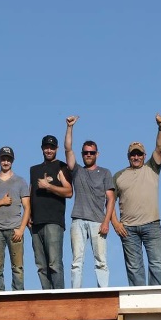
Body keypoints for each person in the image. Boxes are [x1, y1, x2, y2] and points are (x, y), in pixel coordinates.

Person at [64, 115, 120, 288]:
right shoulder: (77, 170)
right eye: (86, 153)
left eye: (92, 152)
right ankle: (75, 293)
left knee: (101, 261)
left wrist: (106, 222)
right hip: (78, 220)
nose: (88, 155)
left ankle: (103, 292)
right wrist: (70, 127)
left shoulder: (105, 173)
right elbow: (68, 149)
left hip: (98, 221)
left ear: (97, 154)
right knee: (76, 261)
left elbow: (110, 199)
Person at [113, 113, 161, 286]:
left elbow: (159, 148)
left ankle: (158, 297)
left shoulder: (152, 168)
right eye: (132, 155)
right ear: (128, 156)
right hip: (128, 229)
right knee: (134, 268)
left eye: (139, 154)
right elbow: (108, 203)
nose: (136, 157)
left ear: (144, 156)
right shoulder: (119, 176)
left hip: (152, 225)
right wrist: (116, 223)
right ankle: (138, 301)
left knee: (157, 264)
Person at [0, 146, 31, 291]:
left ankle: (18, 297)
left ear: (12, 161)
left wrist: (21, 229)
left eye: (8, 159)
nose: (6, 162)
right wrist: (0, 203)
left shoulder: (20, 181)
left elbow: (27, 207)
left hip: (15, 229)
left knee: (18, 268)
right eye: (3, 159)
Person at [27, 134, 72, 289]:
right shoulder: (34, 170)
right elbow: (30, 192)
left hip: (54, 221)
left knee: (54, 263)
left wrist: (49, 187)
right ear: (42, 149)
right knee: (41, 265)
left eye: (52, 147)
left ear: (57, 149)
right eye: (46, 147)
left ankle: (59, 297)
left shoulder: (61, 166)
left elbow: (69, 191)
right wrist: (28, 216)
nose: (49, 150)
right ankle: (47, 297)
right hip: (36, 223)